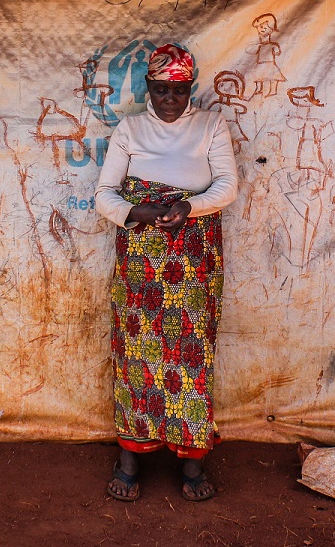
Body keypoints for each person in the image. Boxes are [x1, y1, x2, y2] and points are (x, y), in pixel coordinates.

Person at [95, 43, 237, 502]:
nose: (170, 100)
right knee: (136, 351)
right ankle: (130, 456)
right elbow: (104, 195)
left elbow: (227, 186)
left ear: (190, 87)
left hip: (194, 254)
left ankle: (192, 461)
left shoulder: (211, 124)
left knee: (191, 352)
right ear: (148, 89)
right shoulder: (130, 129)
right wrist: (140, 209)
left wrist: (186, 206)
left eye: (178, 90)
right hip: (141, 255)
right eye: (161, 90)